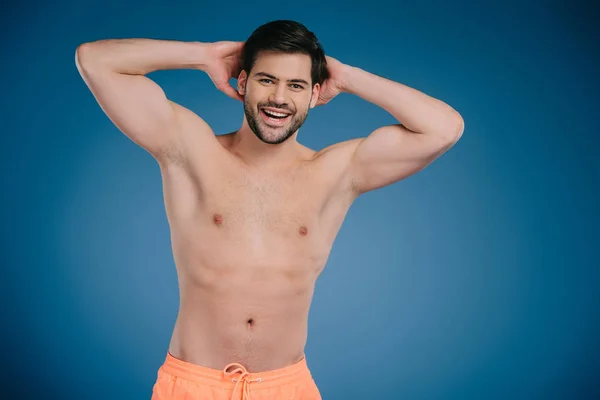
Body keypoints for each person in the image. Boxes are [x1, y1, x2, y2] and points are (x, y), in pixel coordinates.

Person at [75, 19, 463, 400]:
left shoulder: (337, 172)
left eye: (296, 85)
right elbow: (94, 60)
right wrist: (203, 55)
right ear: (242, 82)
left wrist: (347, 77)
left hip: (286, 389)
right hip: (194, 386)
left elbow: (444, 128)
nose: (279, 98)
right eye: (266, 80)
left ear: (315, 94)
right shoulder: (190, 149)